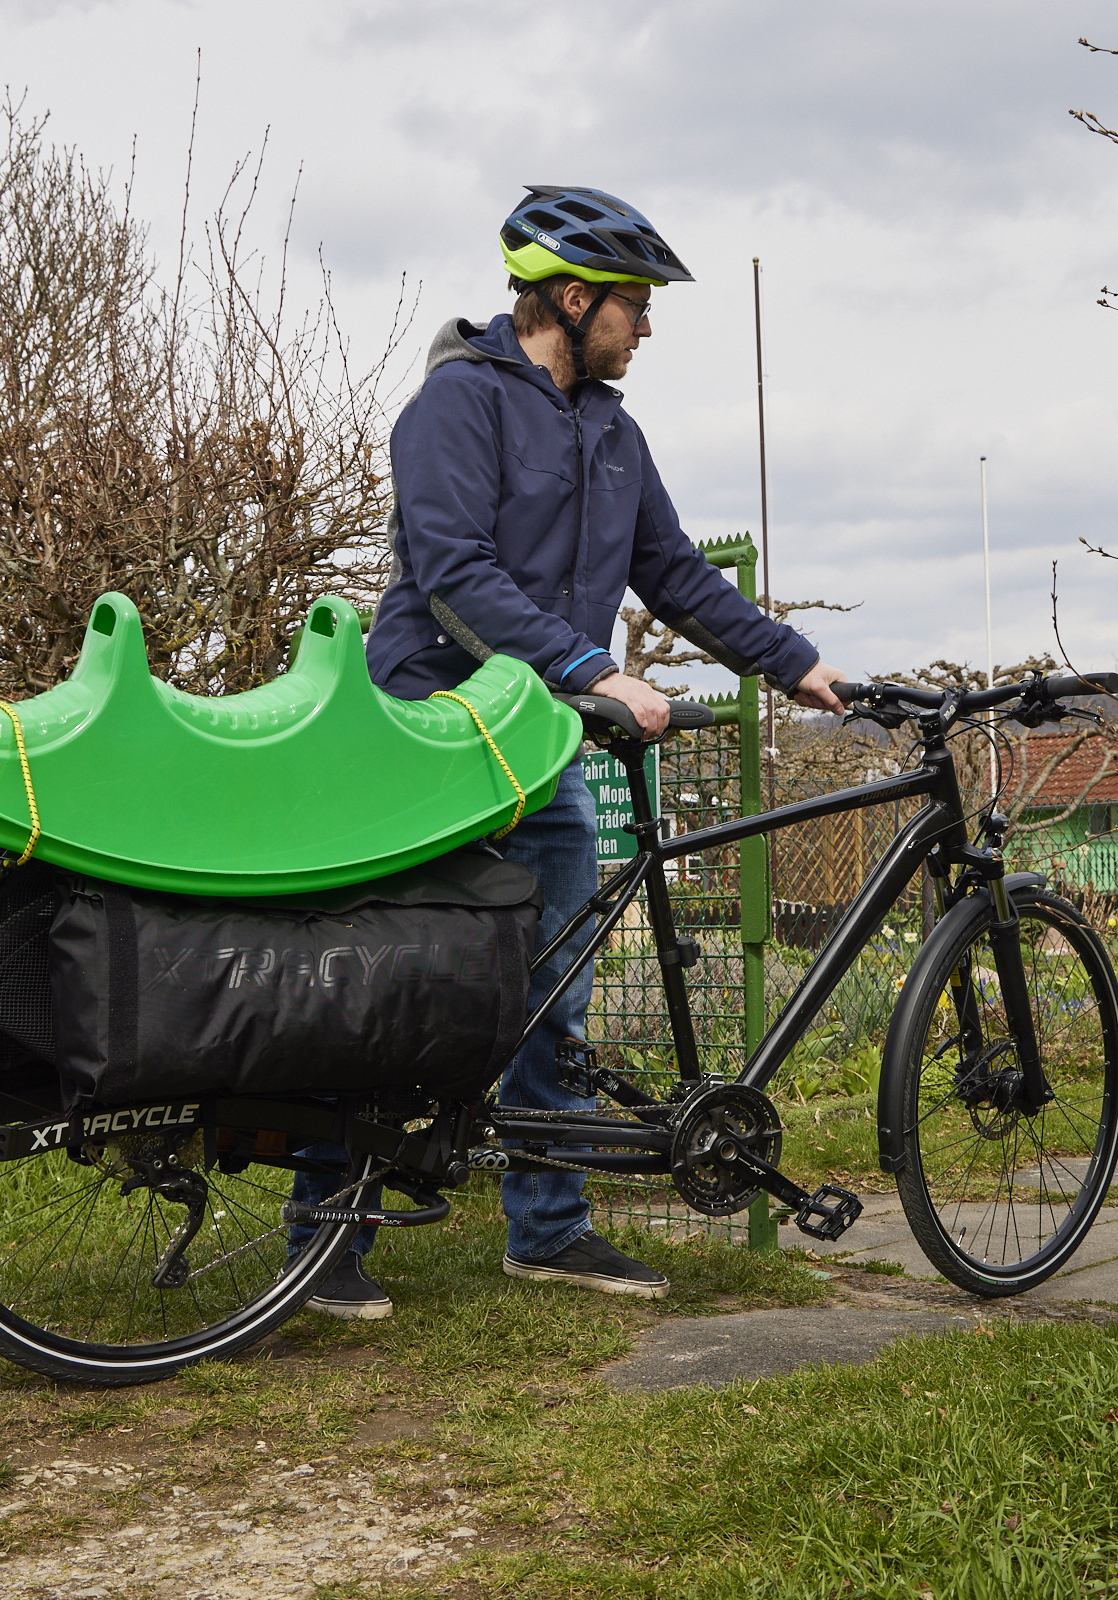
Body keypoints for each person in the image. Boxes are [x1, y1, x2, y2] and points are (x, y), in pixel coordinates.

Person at [291, 185, 847, 1319]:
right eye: (635, 306)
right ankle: (323, 1238)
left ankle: (548, 1230)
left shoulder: (613, 432)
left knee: (559, 989)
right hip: (431, 735)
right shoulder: (457, 408)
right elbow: (454, 574)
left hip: (535, 749)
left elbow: (677, 576)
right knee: (387, 988)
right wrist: (594, 669)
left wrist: (795, 663)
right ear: (574, 297)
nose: (646, 328)